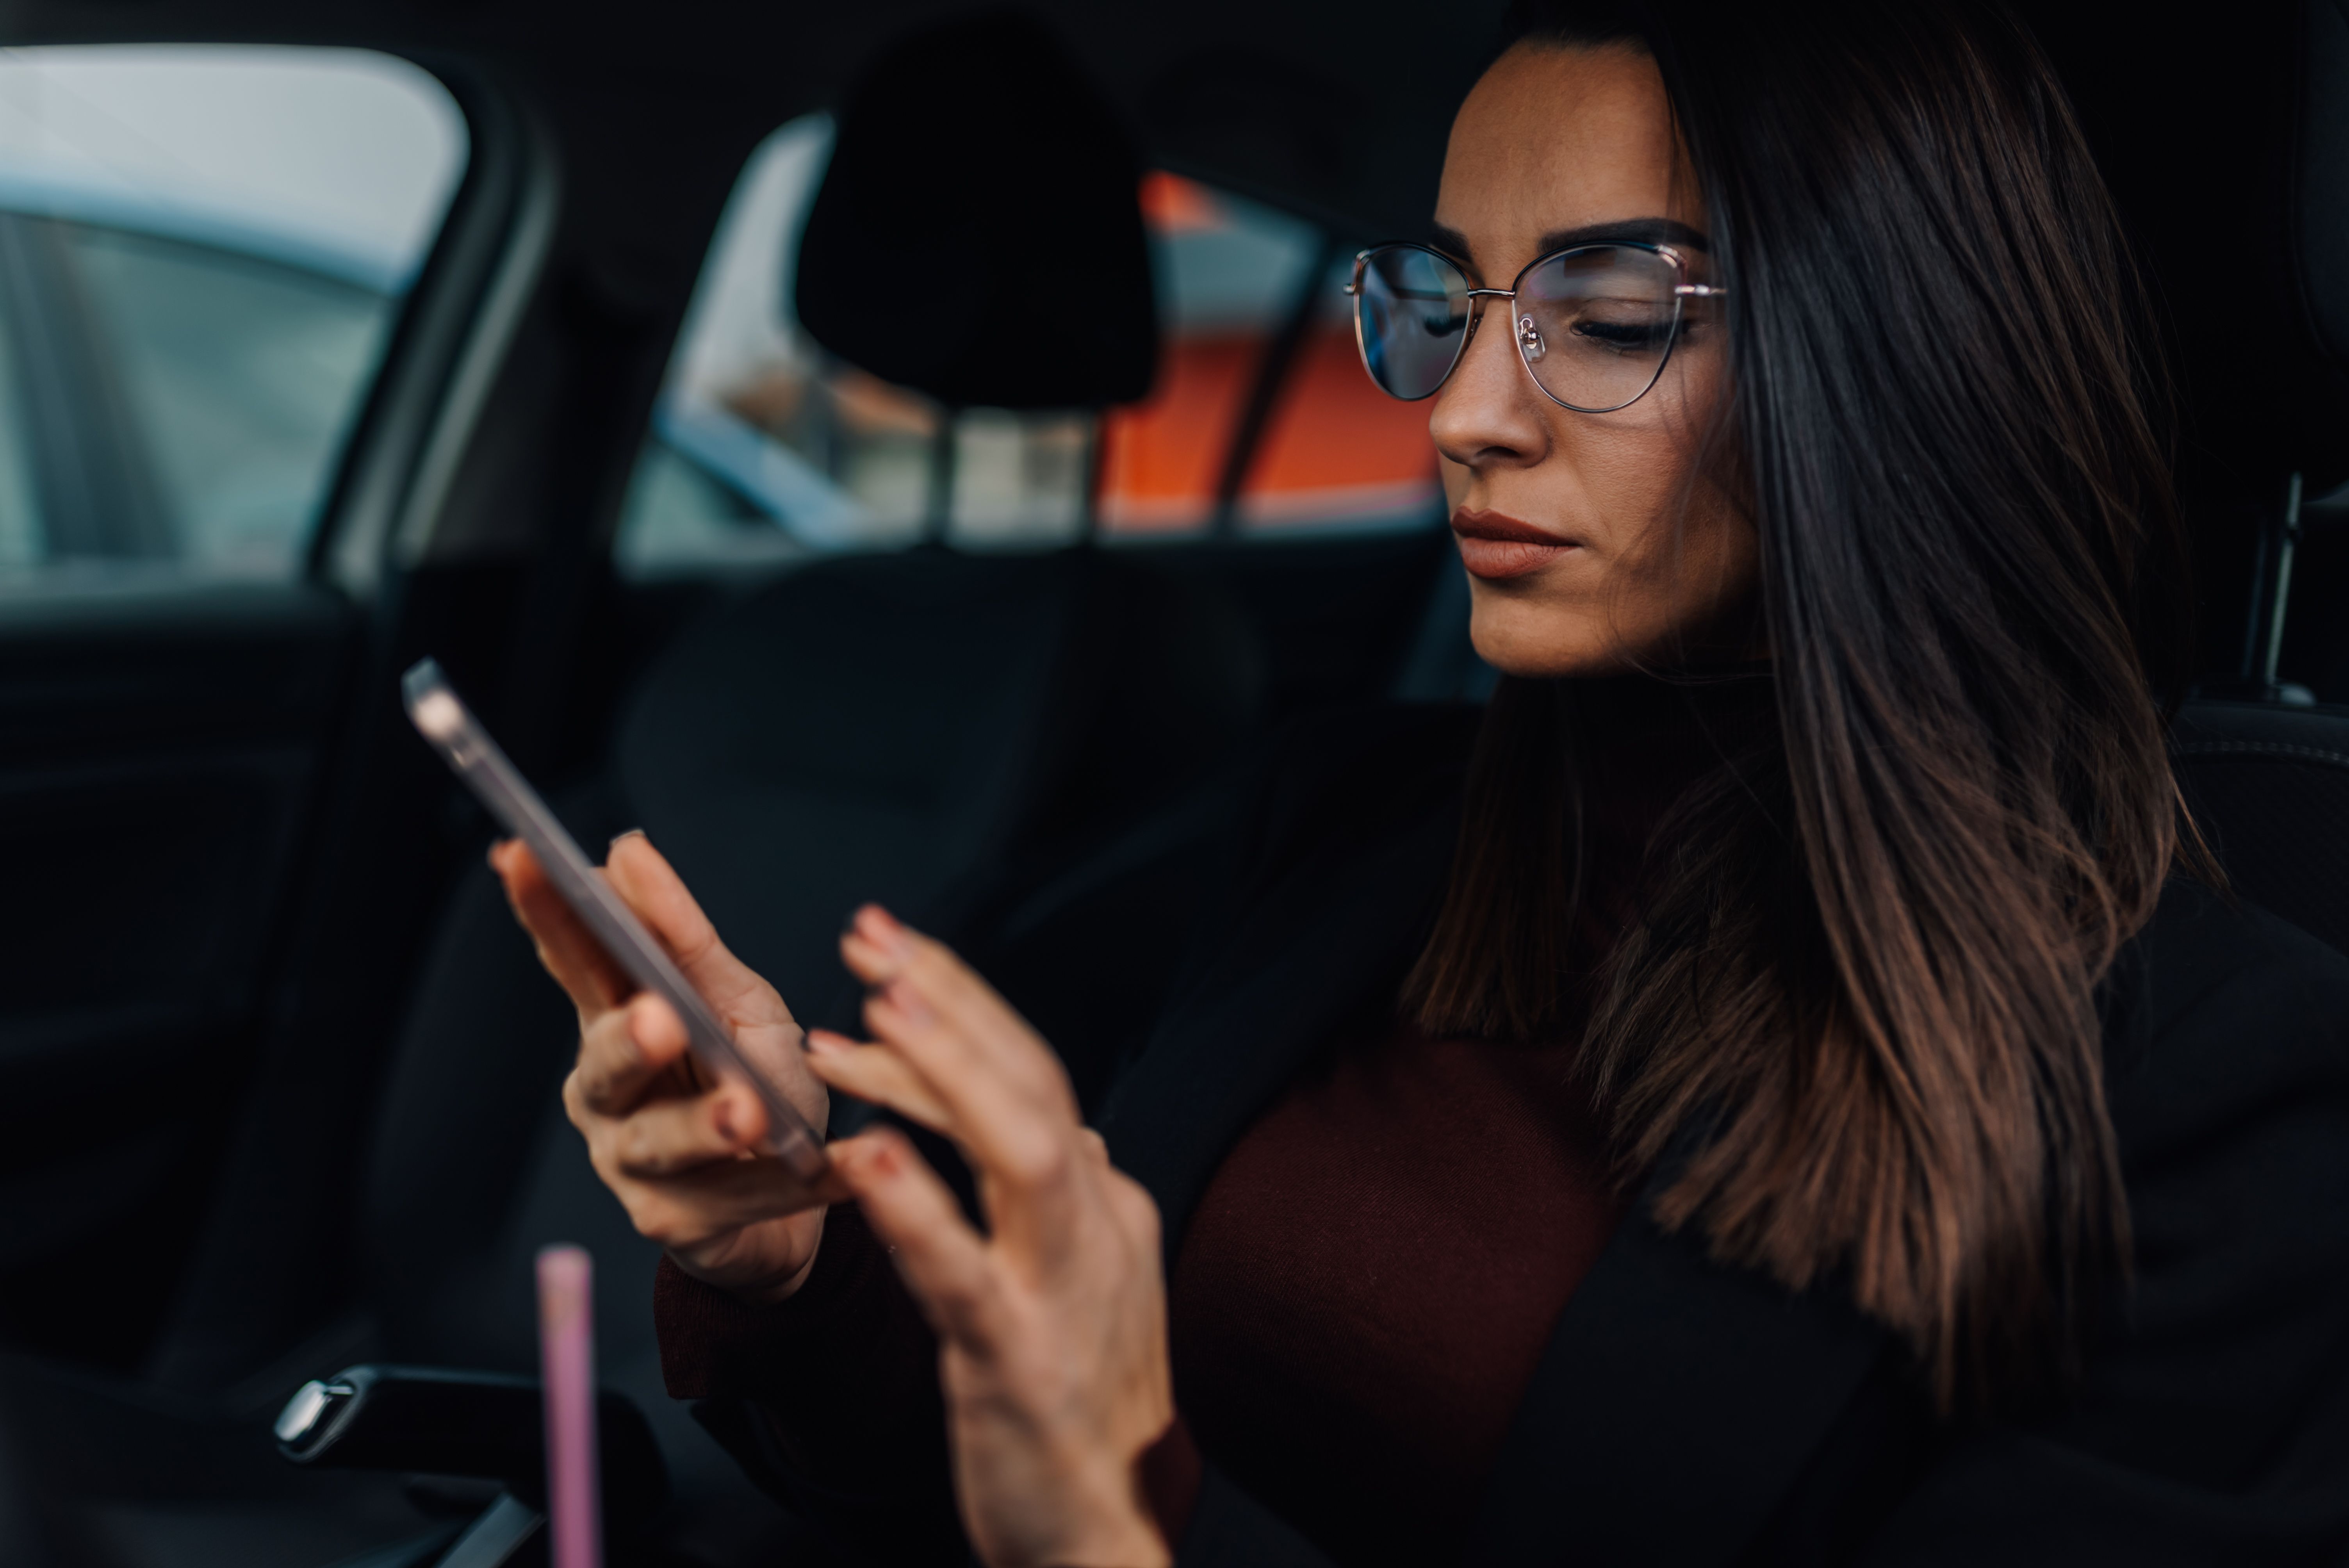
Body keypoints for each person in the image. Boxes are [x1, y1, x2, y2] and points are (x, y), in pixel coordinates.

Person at [495, 1, 2349, 1562]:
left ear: (1890, 359)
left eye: (1612, 312)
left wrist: (1129, 1511)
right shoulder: (1355, 832)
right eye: (1444, 301)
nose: (1463, 407)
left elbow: (1107, 1478)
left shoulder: (2221, 1097)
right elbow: (1018, 1439)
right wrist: (798, 1255)